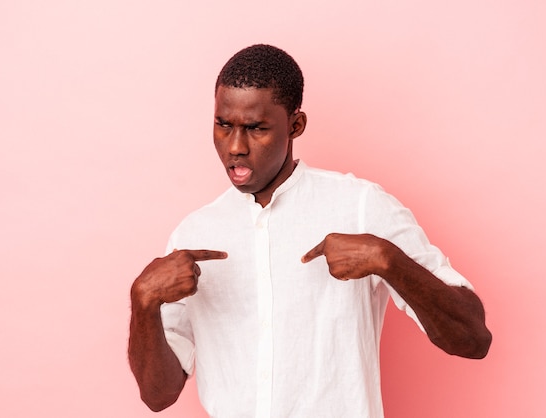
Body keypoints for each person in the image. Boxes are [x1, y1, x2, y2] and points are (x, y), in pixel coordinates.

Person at [128, 44, 492, 417]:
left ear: (295, 125)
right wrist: (143, 301)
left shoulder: (361, 206)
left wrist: (389, 260)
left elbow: (473, 339)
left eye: (256, 128)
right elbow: (158, 396)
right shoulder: (194, 232)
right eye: (224, 125)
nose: (235, 146)